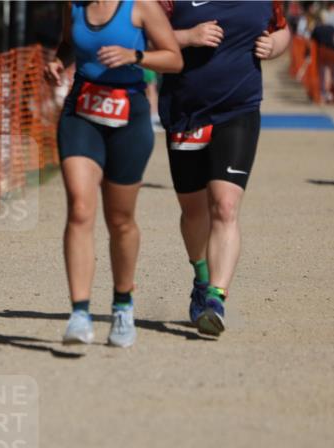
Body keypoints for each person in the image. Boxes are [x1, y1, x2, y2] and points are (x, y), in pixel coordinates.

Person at [44, 1, 181, 347]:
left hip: (128, 115)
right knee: (79, 208)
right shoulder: (71, 5)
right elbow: (68, 42)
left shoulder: (140, 7)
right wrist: (58, 61)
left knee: (120, 220)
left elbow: (174, 58)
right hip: (82, 110)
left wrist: (135, 56)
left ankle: (122, 304)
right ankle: (79, 313)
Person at [158, 0, 291, 336]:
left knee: (225, 205)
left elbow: (283, 29)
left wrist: (274, 45)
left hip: (239, 108)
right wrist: (187, 36)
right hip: (185, 111)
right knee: (193, 210)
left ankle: (216, 298)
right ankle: (201, 279)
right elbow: (142, 39)